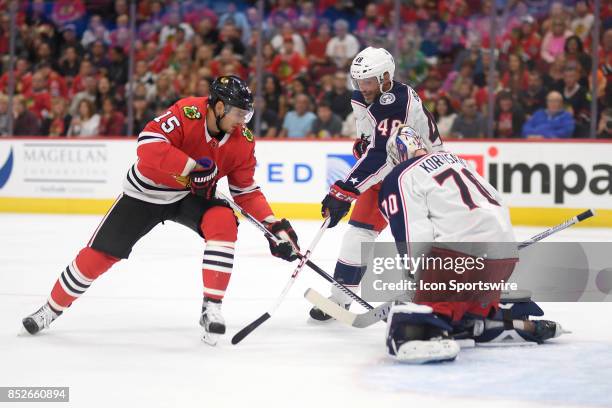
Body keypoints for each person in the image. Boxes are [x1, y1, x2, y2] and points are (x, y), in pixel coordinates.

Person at [22, 76, 300, 345]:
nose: (242, 122)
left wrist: (274, 226)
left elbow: (245, 191)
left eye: (246, 115)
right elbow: (148, 145)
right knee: (98, 256)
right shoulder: (187, 112)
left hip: (191, 196)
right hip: (146, 192)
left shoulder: (243, 140)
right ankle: (50, 309)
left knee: (223, 222)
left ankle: (211, 309)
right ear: (218, 107)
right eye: (239, 114)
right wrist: (192, 167)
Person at [380, 126, 565, 363]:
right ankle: (488, 322)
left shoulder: (401, 175)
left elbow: (413, 234)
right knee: (463, 313)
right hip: (503, 259)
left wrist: (416, 282)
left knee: (406, 323)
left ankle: (429, 332)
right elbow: (498, 201)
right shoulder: (458, 160)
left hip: (458, 260)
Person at [309, 47, 444, 321]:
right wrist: (364, 144)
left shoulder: (396, 101)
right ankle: (341, 297)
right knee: (357, 234)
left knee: (410, 240)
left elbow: (383, 154)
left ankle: (429, 297)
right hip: (390, 171)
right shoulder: (365, 95)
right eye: (358, 81)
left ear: (385, 77)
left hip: (417, 177)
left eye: (368, 81)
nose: (362, 87)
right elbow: (375, 146)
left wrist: (345, 190)